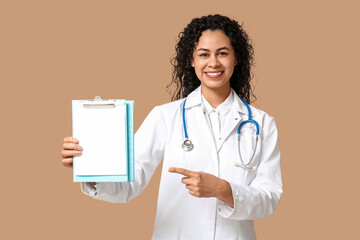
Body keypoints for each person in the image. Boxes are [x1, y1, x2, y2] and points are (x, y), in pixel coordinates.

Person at [61, 14, 282, 240]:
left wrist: (223, 190)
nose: (213, 63)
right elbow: (129, 183)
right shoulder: (166, 116)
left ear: (236, 58)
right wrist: (91, 169)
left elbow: (270, 197)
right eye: (204, 54)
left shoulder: (262, 123)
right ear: (192, 60)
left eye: (222, 53)